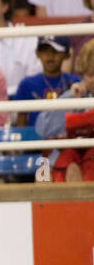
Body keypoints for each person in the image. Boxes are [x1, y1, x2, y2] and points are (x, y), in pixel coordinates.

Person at [35, 38, 94, 180]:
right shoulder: (76, 94)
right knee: (65, 159)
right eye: (89, 75)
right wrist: (71, 99)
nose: (92, 80)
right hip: (70, 155)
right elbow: (42, 128)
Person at [14, 36, 79, 125]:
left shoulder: (76, 83)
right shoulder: (26, 84)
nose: (50, 56)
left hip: (67, 136)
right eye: (44, 50)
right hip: (34, 137)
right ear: (37, 53)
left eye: (56, 51)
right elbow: (21, 121)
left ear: (67, 55)